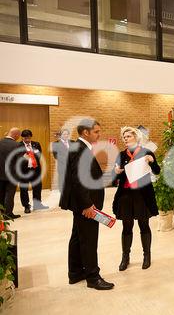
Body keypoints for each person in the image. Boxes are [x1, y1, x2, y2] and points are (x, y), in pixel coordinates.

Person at [59, 119, 114, 290]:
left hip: (82, 204)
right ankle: (93, 277)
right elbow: (78, 180)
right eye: (96, 131)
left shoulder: (81, 148)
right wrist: (87, 205)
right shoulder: (80, 150)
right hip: (86, 205)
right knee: (89, 240)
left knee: (78, 237)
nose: (99, 134)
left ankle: (75, 273)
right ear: (85, 133)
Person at [112, 127, 160, 271]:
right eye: (124, 137)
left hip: (142, 195)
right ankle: (125, 257)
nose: (125, 139)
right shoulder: (120, 155)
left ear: (135, 137)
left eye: (128, 136)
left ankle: (147, 256)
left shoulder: (147, 152)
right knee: (127, 227)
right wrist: (116, 172)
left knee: (144, 225)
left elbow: (157, 171)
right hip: (126, 195)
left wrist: (152, 162)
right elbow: (115, 178)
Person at [18, 129, 48, 213]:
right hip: (24, 171)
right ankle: (26, 206)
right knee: (24, 189)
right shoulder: (18, 145)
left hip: (36, 169)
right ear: (22, 138)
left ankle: (37, 204)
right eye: (25, 138)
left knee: (37, 187)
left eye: (29, 138)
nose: (27, 140)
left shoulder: (36, 144)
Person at [0, 128, 21, 219]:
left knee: (1, 193)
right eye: (19, 135)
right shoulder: (17, 145)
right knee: (9, 194)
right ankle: (8, 214)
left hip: (0, 173)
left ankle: (1, 213)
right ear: (15, 135)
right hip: (12, 174)